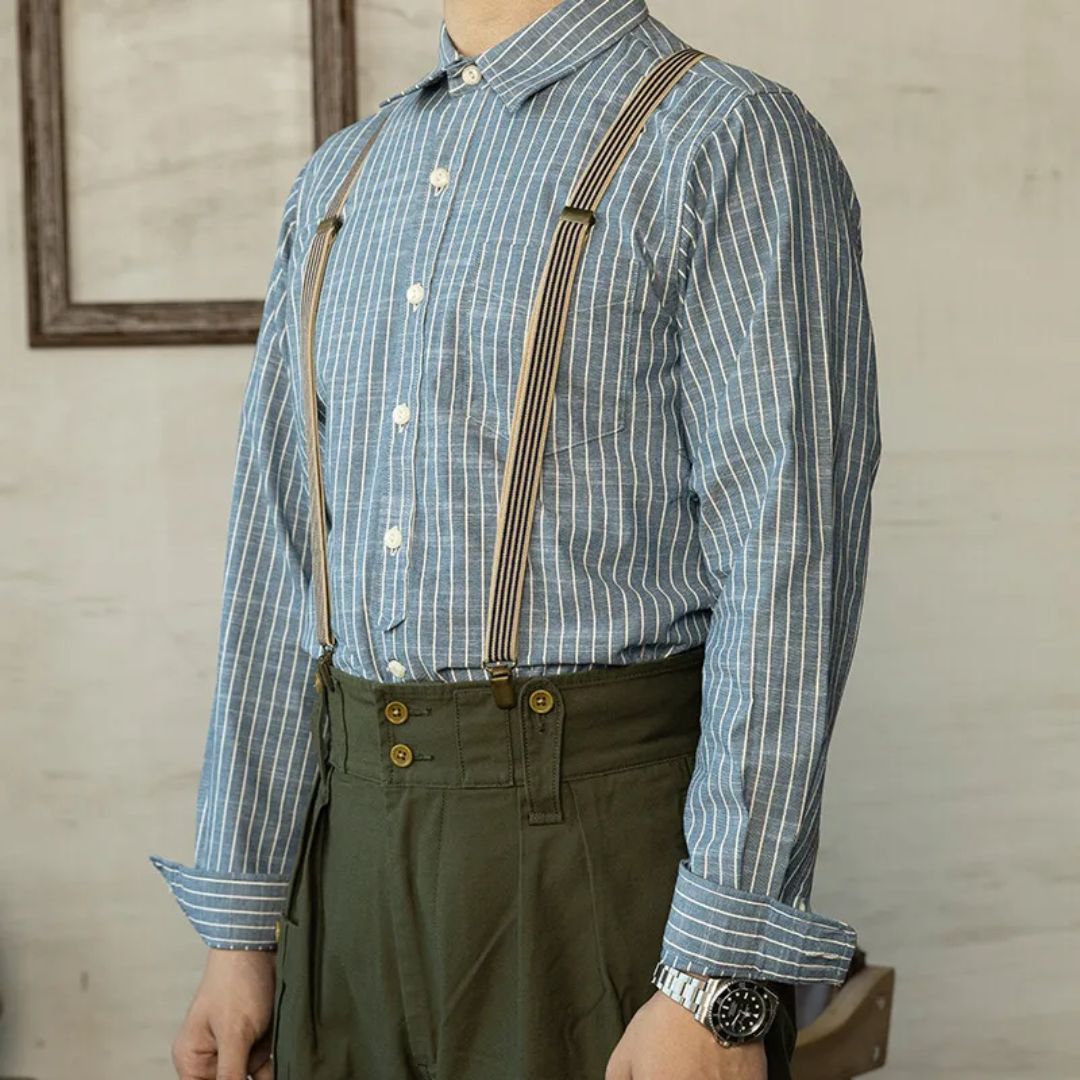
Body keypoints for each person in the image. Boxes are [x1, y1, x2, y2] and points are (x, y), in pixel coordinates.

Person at [151, 0, 881, 1077]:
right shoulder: (345, 174)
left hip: (593, 853)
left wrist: (714, 981)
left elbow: (790, 561)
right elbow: (277, 556)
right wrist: (241, 926)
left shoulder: (725, 135)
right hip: (347, 857)